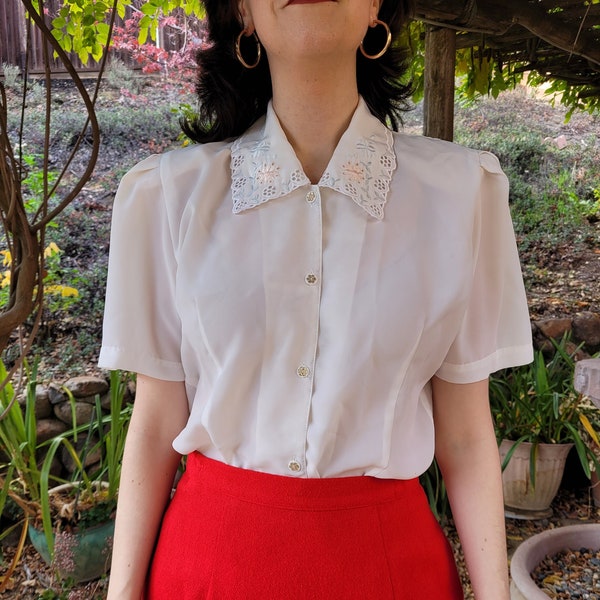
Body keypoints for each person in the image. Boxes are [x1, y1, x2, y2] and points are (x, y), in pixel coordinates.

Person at [99, 0, 533, 598]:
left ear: (377, 8)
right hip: (206, 571)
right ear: (242, 14)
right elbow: (154, 425)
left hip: (390, 574)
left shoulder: (461, 198)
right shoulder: (166, 199)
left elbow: (465, 436)